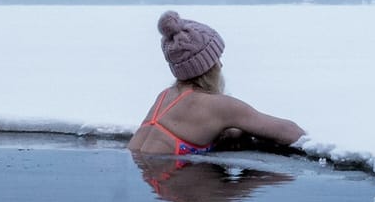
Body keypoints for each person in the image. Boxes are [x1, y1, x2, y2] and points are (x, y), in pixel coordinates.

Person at [127, 11, 305, 155]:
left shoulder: (165, 96)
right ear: (208, 66)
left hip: (148, 176)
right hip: (175, 178)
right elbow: (292, 132)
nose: (220, 65)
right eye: (217, 59)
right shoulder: (219, 106)